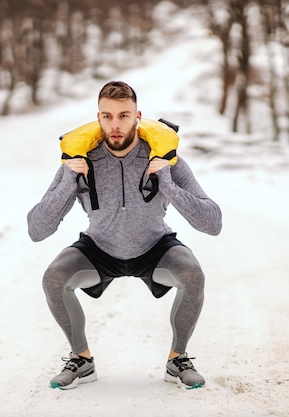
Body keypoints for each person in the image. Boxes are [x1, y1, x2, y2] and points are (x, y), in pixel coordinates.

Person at [27, 81, 222, 390]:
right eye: (107, 116)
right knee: (54, 278)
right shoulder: (81, 160)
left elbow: (212, 223)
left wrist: (167, 180)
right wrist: (69, 178)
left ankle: (177, 359)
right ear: (98, 117)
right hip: (99, 249)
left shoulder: (164, 157)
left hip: (155, 247)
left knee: (192, 274)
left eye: (123, 115)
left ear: (137, 116)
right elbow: (37, 230)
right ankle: (82, 359)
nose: (115, 125)